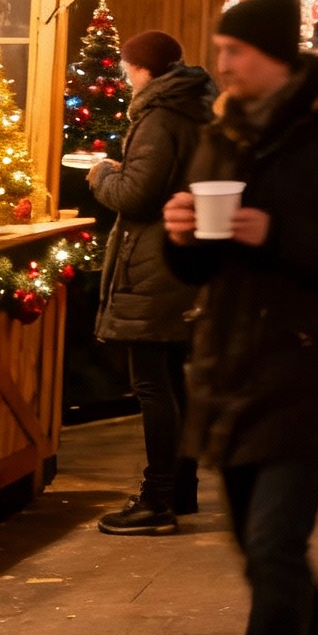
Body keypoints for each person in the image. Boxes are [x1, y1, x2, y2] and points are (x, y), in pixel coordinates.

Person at [159, 0, 318, 635]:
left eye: (234, 51)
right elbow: (197, 269)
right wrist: (181, 236)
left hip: (308, 366)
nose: (222, 64)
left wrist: (278, 233)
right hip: (230, 366)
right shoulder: (222, 133)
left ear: (271, 57)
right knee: (254, 544)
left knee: (273, 546)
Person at [88, 30, 216, 534]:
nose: (124, 77)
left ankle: (158, 499)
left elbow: (138, 195)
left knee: (152, 385)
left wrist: (102, 174)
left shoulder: (158, 116)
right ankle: (180, 490)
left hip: (153, 263)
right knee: (172, 380)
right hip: (177, 257)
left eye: (126, 68)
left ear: (142, 70)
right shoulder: (192, 106)